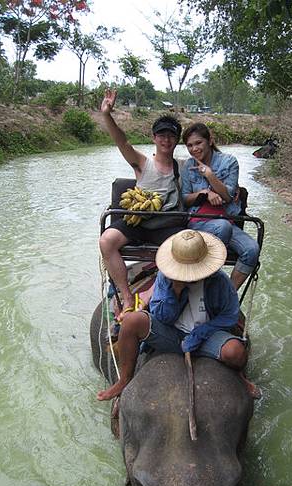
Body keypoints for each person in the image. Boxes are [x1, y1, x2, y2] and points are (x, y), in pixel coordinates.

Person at [97, 229, 260, 404]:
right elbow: (161, 316)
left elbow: (229, 315)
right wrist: (175, 291)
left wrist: (200, 334)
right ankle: (124, 380)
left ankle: (239, 377)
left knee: (236, 352)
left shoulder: (220, 281)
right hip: (170, 333)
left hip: (207, 337)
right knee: (131, 321)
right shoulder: (165, 278)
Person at [99, 89, 183, 318]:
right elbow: (122, 141)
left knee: (182, 250)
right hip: (137, 221)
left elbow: (205, 163)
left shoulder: (183, 167)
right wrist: (107, 114)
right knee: (106, 241)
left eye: (171, 136)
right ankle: (126, 297)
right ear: (154, 138)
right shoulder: (142, 163)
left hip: (166, 224)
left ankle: (152, 294)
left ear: (176, 140)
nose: (166, 140)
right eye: (162, 135)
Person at [180, 122, 260, 290]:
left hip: (227, 221)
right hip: (199, 221)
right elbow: (185, 198)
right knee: (222, 227)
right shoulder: (188, 166)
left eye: (198, 143)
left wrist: (209, 175)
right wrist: (204, 193)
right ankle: (203, 286)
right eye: (190, 145)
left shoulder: (229, 162)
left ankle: (228, 294)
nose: (194, 149)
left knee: (252, 250)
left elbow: (228, 196)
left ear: (210, 141)